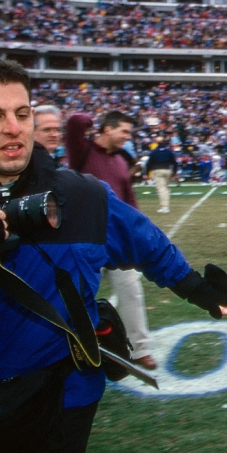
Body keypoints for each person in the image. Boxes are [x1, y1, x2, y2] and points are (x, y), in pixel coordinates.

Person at [0, 57, 227, 453]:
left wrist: (197, 289)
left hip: (58, 394)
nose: (14, 129)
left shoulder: (79, 196)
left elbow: (143, 240)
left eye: (23, 113)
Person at [65, 110, 157, 370]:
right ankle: (75, 349)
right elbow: (74, 123)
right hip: (83, 239)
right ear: (107, 129)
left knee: (131, 292)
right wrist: (94, 120)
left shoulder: (120, 161)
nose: (128, 137)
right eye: (124, 131)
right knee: (80, 296)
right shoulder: (82, 150)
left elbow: (129, 201)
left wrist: (139, 230)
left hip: (117, 242)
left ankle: (140, 350)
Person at [146, 139, 177, 213]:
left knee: (161, 189)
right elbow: (174, 162)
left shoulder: (154, 151)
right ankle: (166, 205)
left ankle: (164, 207)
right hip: (167, 170)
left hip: (157, 170)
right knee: (166, 188)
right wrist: (174, 172)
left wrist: (147, 173)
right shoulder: (168, 151)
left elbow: (149, 163)